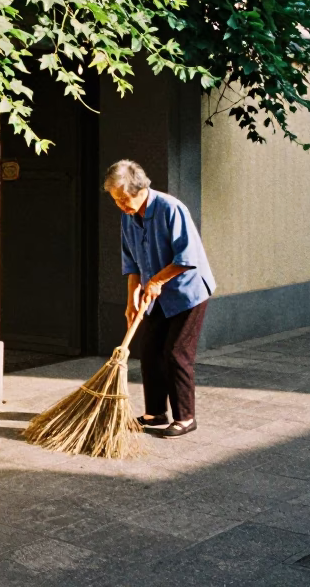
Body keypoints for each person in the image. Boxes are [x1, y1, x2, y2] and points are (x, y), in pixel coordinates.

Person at [104, 159, 216, 438]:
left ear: (140, 188)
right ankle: (155, 413)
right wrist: (131, 301)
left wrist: (156, 281)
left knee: (176, 353)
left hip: (188, 293)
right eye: (116, 200)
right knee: (150, 351)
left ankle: (186, 418)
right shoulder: (128, 216)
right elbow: (131, 265)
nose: (121, 205)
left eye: (124, 198)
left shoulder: (171, 209)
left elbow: (186, 258)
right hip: (155, 297)